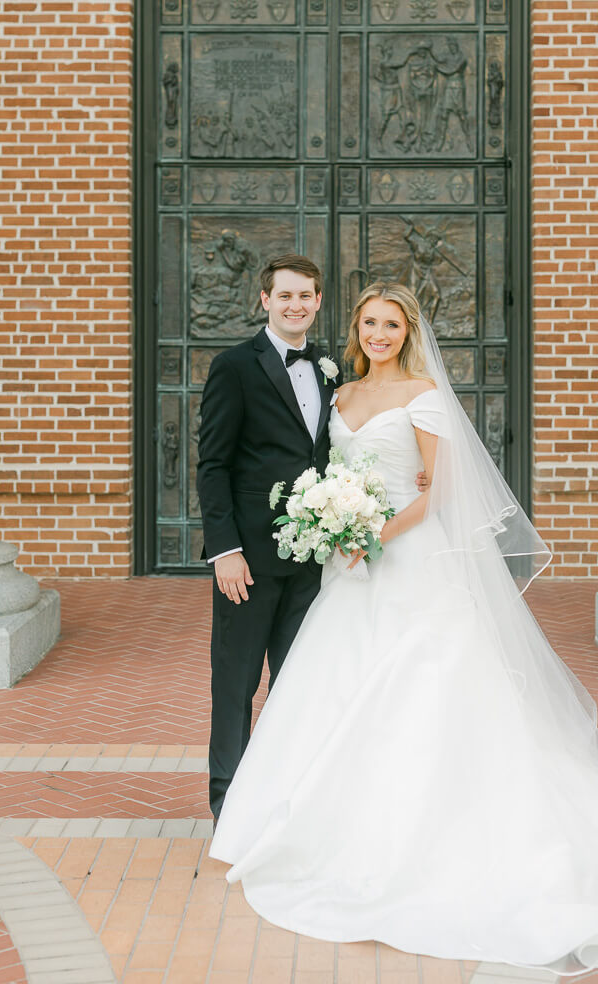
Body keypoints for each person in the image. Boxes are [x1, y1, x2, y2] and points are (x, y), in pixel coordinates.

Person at [210, 281, 598, 974]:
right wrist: (330, 522)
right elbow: (323, 469)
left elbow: (439, 491)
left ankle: (431, 836)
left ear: (409, 330)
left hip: (406, 560)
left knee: (423, 690)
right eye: (369, 322)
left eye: (391, 324)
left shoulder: (424, 396)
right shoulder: (339, 392)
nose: (378, 334)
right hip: (346, 571)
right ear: (355, 329)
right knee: (331, 689)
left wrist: (373, 537)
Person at [196, 257, 428, 824]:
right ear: (264, 300)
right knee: (237, 682)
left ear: (319, 302)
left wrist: (422, 476)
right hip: (249, 559)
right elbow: (213, 464)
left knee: (301, 683)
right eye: (285, 296)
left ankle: (287, 792)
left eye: (307, 296)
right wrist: (224, 551)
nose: (296, 305)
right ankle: (229, 802)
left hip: (318, 560)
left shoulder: (331, 374)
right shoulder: (233, 367)